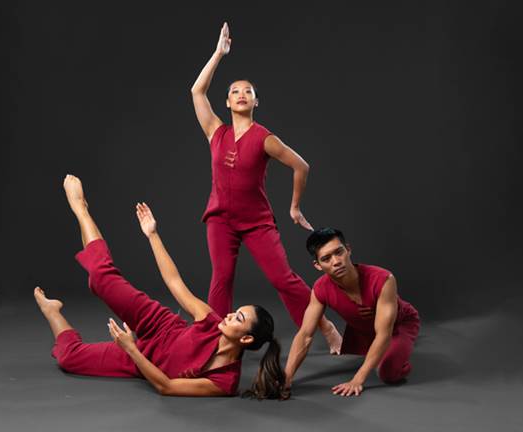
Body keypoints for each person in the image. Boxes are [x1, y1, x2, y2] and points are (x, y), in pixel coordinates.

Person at [34, 174, 289, 399]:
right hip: (158, 325)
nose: (230, 314)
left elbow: (166, 386)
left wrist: (131, 350)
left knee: (70, 359)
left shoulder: (224, 382)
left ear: (245, 337)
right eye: (236, 311)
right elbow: (175, 282)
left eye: (238, 318)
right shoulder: (211, 322)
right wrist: (153, 235)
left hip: (142, 359)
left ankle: (53, 311)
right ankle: (81, 209)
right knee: (100, 278)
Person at [190, 22, 342, 353]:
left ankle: (326, 327)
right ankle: (215, 344)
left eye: (248, 91)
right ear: (228, 102)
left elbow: (301, 166)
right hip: (220, 220)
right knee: (221, 281)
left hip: (256, 221)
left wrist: (294, 207)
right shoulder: (216, 132)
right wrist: (218, 54)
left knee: (283, 279)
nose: (241, 94)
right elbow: (196, 92)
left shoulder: (264, 138)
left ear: (256, 101)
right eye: (234, 91)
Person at [284, 228, 420, 397]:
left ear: (348, 249)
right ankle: (380, 352)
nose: (336, 262)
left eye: (339, 252)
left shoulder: (383, 278)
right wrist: (287, 377)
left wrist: (357, 379)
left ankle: (400, 351)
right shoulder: (320, 289)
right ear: (318, 265)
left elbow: (384, 334)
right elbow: (305, 334)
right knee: (377, 350)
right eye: (326, 258)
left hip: (398, 325)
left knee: (388, 372)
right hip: (365, 328)